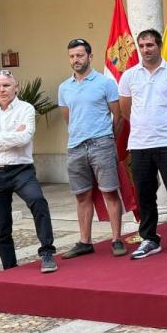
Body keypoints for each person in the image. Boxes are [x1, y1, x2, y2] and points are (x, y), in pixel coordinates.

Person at [118, 29, 167, 260]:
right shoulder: (129, 76)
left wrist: (164, 124)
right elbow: (125, 109)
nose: (145, 50)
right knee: (145, 193)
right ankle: (150, 238)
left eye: (150, 45)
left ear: (159, 46)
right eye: (141, 46)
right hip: (140, 144)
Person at [0, 70, 58, 273]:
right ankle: (9, 266)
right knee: (1, 224)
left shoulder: (26, 109)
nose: (2, 90)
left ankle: (46, 252)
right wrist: (10, 137)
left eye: (6, 85)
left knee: (38, 202)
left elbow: (24, 138)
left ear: (16, 87)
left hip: (21, 171)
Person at [58, 38, 126, 259]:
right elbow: (69, 118)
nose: (76, 59)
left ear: (89, 56)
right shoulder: (64, 87)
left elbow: (118, 116)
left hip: (101, 144)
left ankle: (116, 239)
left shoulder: (105, 83)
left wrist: (108, 139)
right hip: (76, 147)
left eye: (80, 55)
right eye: (72, 56)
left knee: (110, 192)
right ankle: (85, 241)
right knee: (82, 195)